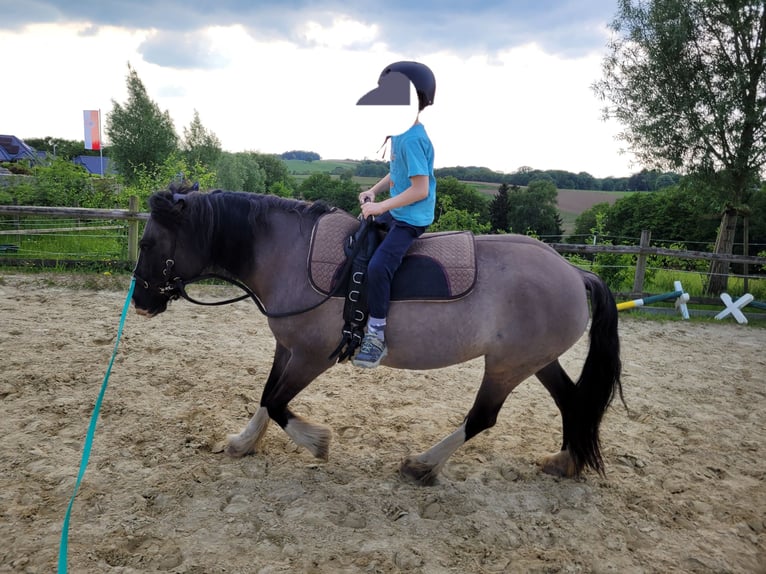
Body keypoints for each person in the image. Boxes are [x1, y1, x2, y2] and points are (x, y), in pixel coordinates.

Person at [351, 61, 437, 369]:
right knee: (357, 238)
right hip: (397, 210)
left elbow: (420, 189)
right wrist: (374, 191)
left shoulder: (413, 139)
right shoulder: (400, 134)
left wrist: (380, 207)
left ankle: (376, 335)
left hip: (411, 218)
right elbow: (396, 174)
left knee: (378, 266)